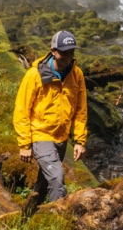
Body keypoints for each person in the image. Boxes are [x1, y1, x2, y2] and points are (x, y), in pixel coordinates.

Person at [13, 29, 88, 220]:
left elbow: (80, 109)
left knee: (45, 182)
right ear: (53, 51)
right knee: (56, 178)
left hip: (62, 137)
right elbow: (22, 109)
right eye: (64, 52)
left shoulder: (76, 74)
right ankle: (57, 225)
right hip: (40, 135)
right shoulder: (35, 75)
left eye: (71, 52)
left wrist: (79, 140)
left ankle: (27, 218)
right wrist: (24, 144)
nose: (67, 57)